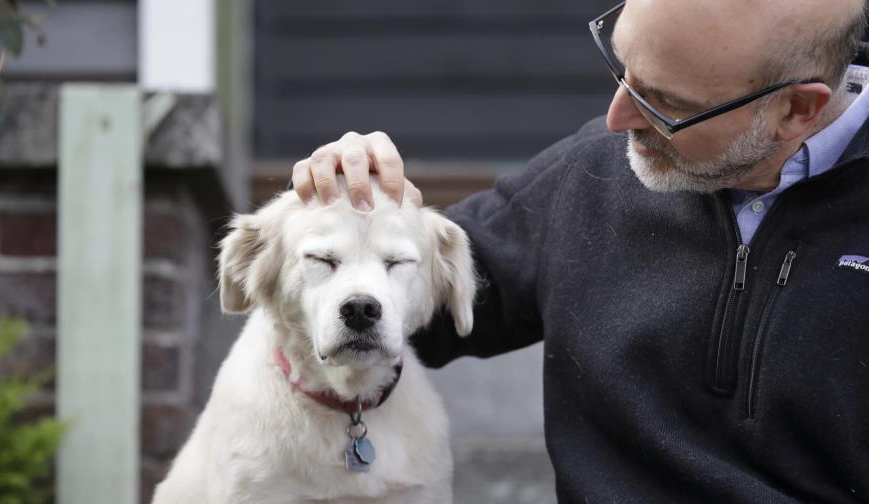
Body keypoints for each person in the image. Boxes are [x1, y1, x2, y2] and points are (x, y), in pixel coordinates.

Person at [291, 0, 869, 501]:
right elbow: (408, 310)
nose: (617, 120)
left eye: (665, 103)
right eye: (622, 69)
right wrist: (345, 222)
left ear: (796, 110)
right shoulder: (590, 172)